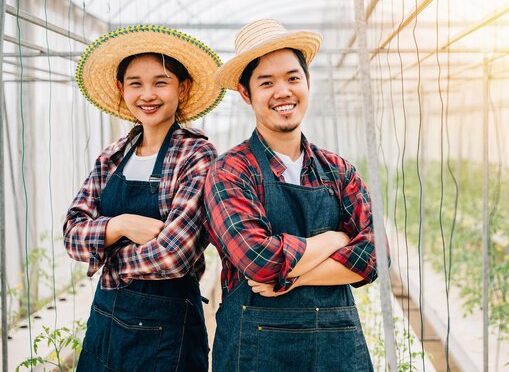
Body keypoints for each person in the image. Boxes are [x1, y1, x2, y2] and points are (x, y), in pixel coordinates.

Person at [205, 19, 382, 372]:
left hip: (337, 346)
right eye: (266, 82)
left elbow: (376, 257)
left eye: (292, 78)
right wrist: (336, 238)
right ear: (246, 93)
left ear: (307, 82)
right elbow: (260, 261)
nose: (282, 91)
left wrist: (296, 276)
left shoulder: (337, 170)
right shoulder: (230, 172)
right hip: (256, 350)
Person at [64, 25, 224, 372]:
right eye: (136, 83)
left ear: (182, 88)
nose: (147, 94)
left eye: (161, 82)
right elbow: (72, 234)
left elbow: (173, 255)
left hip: (167, 330)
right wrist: (122, 224)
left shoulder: (197, 155)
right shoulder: (112, 156)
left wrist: (107, 254)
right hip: (105, 321)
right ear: (122, 90)